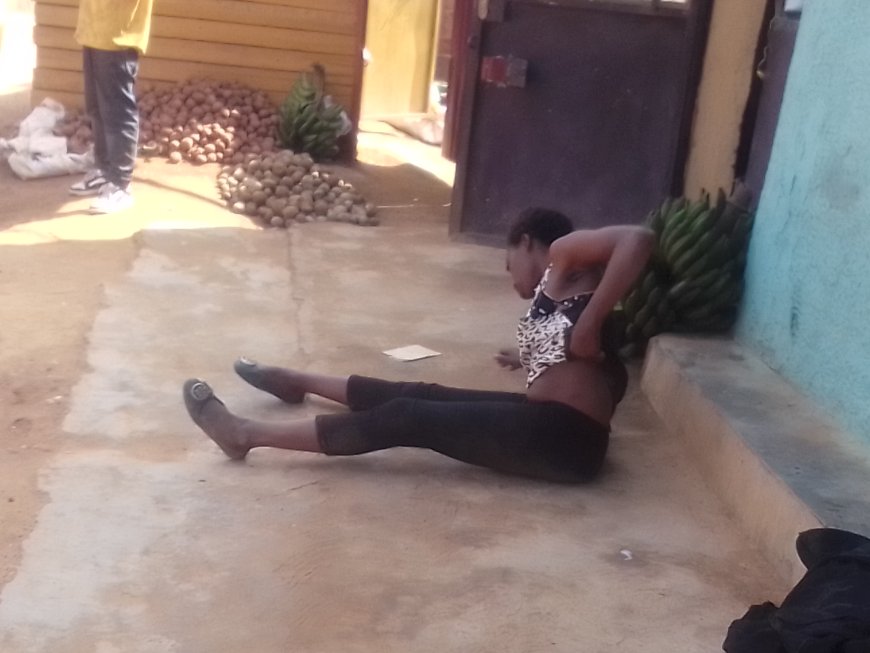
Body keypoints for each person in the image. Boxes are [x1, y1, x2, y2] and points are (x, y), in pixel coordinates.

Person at [182, 209, 654, 483]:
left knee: (408, 417)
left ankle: (244, 434)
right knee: (423, 393)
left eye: (509, 262)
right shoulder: (555, 284)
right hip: (549, 421)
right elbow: (571, 358)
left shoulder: (565, 253)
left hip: (566, 440)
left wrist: (591, 323)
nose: (509, 276)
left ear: (526, 242)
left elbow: (639, 239)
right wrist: (528, 356)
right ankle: (297, 381)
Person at [68, 0, 154, 214]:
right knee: (96, 108)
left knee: (118, 113)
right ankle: (104, 171)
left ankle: (120, 185)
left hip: (118, 35)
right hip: (94, 31)